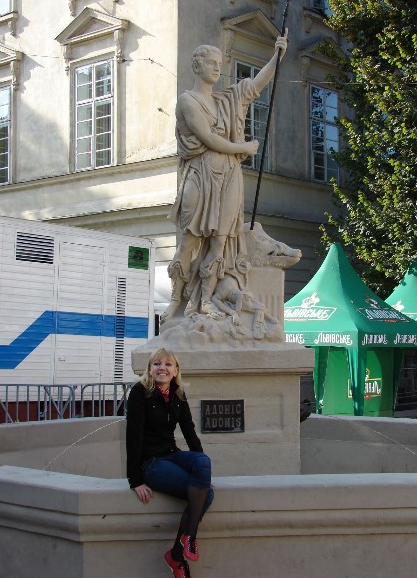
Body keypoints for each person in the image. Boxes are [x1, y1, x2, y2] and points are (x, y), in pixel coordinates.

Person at [162, 31, 288, 323]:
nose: (217, 68)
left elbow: (254, 86)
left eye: (220, 64)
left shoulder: (226, 101)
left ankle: (207, 300)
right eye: (211, 63)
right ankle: (176, 301)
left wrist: (277, 56)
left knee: (220, 242)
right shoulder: (187, 101)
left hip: (229, 175)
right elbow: (208, 138)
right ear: (197, 66)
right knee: (189, 241)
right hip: (200, 174)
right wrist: (243, 148)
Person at [126, 348, 214, 578]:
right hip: (151, 463)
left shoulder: (177, 393)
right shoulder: (140, 392)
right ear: (150, 369)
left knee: (203, 461)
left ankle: (182, 545)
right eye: (157, 364)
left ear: (175, 370)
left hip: (172, 454)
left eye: (167, 364)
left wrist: (203, 477)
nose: (162, 368)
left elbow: (189, 431)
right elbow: (133, 437)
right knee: (207, 495)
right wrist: (135, 480)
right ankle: (180, 551)